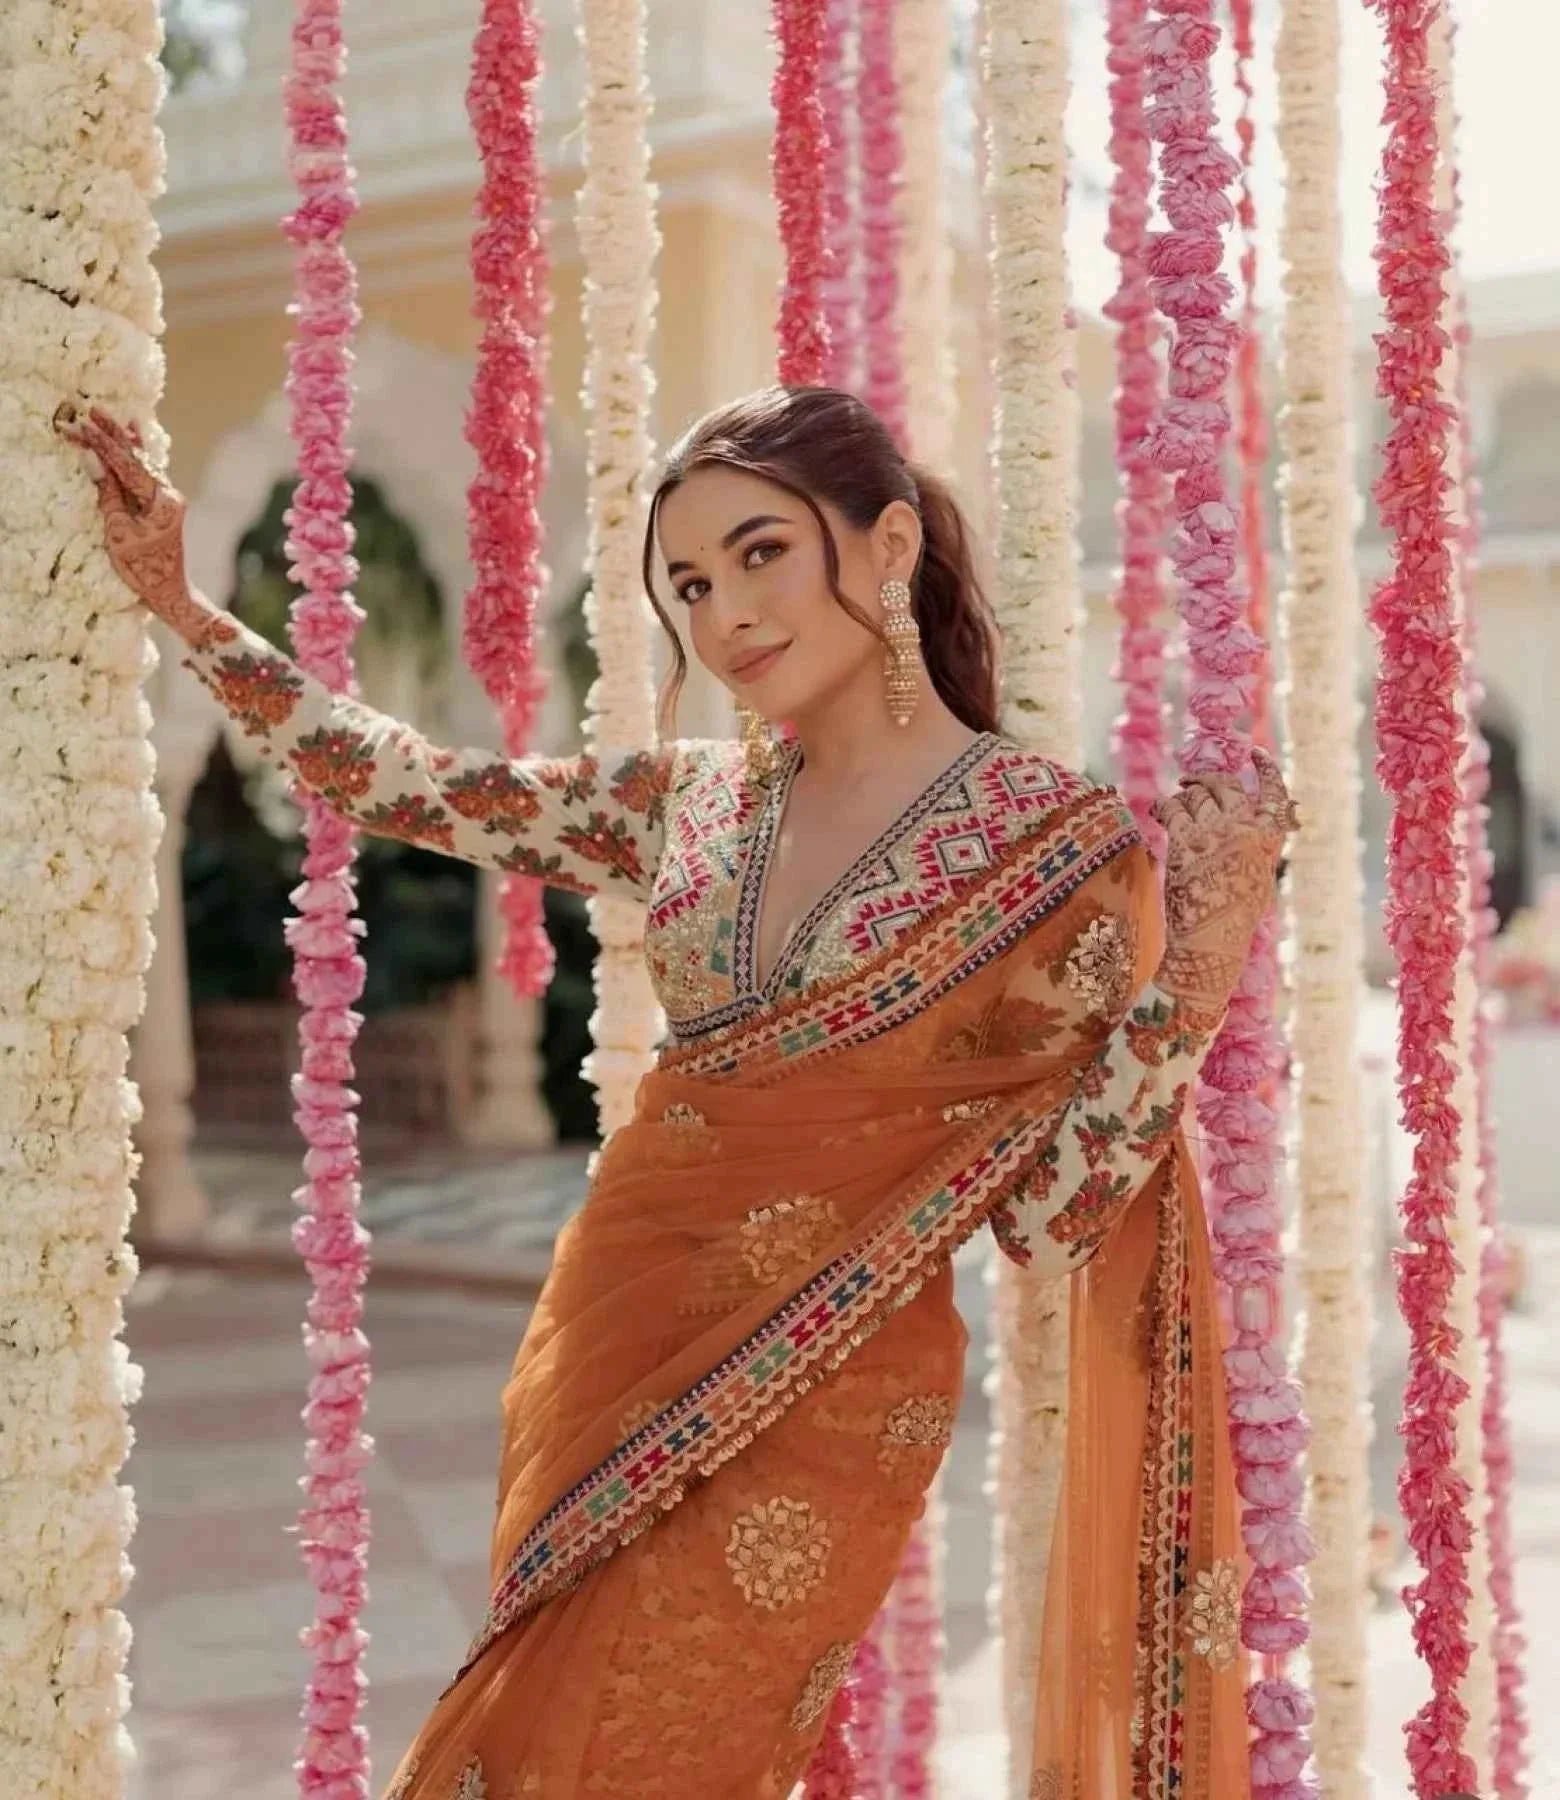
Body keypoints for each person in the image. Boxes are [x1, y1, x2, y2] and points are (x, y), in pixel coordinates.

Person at [59, 386, 1292, 1799]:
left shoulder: (1051, 847)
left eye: (762, 554)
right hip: (613, 1342)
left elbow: (1059, 1220)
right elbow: (406, 785)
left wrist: (1194, 977)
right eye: (692, 585)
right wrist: (186, 609)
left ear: (890, 545)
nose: (725, 617)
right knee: (533, 1742)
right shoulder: (688, 801)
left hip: (828, 1393)